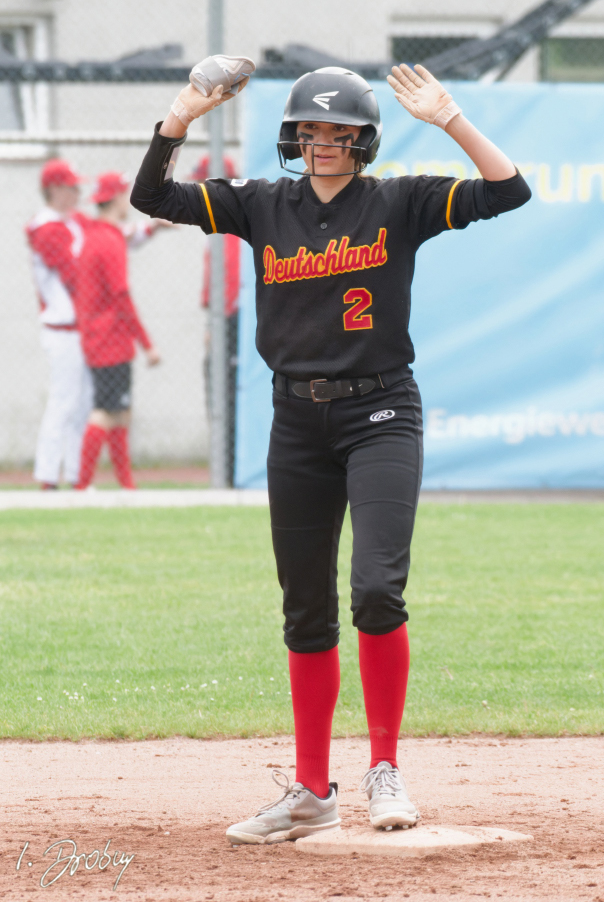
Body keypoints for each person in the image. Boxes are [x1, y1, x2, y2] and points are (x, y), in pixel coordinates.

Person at [130, 59, 531, 843]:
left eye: (338, 132)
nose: (322, 143)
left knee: (376, 589)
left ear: (363, 141)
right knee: (304, 608)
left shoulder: (398, 201)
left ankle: (384, 769)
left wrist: (448, 118)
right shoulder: (261, 204)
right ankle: (312, 792)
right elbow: (153, 197)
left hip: (380, 413)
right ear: (292, 138)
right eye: (309, 130)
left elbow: (507, 190)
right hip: (294, 423)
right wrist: (180, 115)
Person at [76, 172, 161, 490]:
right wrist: (147, 344)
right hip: (110, 340)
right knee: (107, 412)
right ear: (116, 199)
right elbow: (121, 296)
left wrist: (153, 228)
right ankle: (82, 486)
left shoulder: (96, 235)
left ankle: (126, 486)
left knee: (121, 412)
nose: (129, 200)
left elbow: (129, 233)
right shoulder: (109, 241)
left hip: (98, 338)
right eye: (125, 194)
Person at [26, 159, 93, 489]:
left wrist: (148, 230)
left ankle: (76, 475)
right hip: (63, 330)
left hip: (82, 328)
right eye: (70, 187)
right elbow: (74, 274)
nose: (77, 193)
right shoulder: (46, 228)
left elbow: (109, 236)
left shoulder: (74, 221)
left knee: (82, 407)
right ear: (54, 190)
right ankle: (48, 475)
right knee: (63, 403)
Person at [191, 154, 242, 484]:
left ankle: (229, 470)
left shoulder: (231, 224)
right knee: (220, 389)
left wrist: (218, 322)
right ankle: (226, 468)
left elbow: (231, 282)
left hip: (232, 321)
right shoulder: (219, 223)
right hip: (225, 319)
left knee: (226, 393)